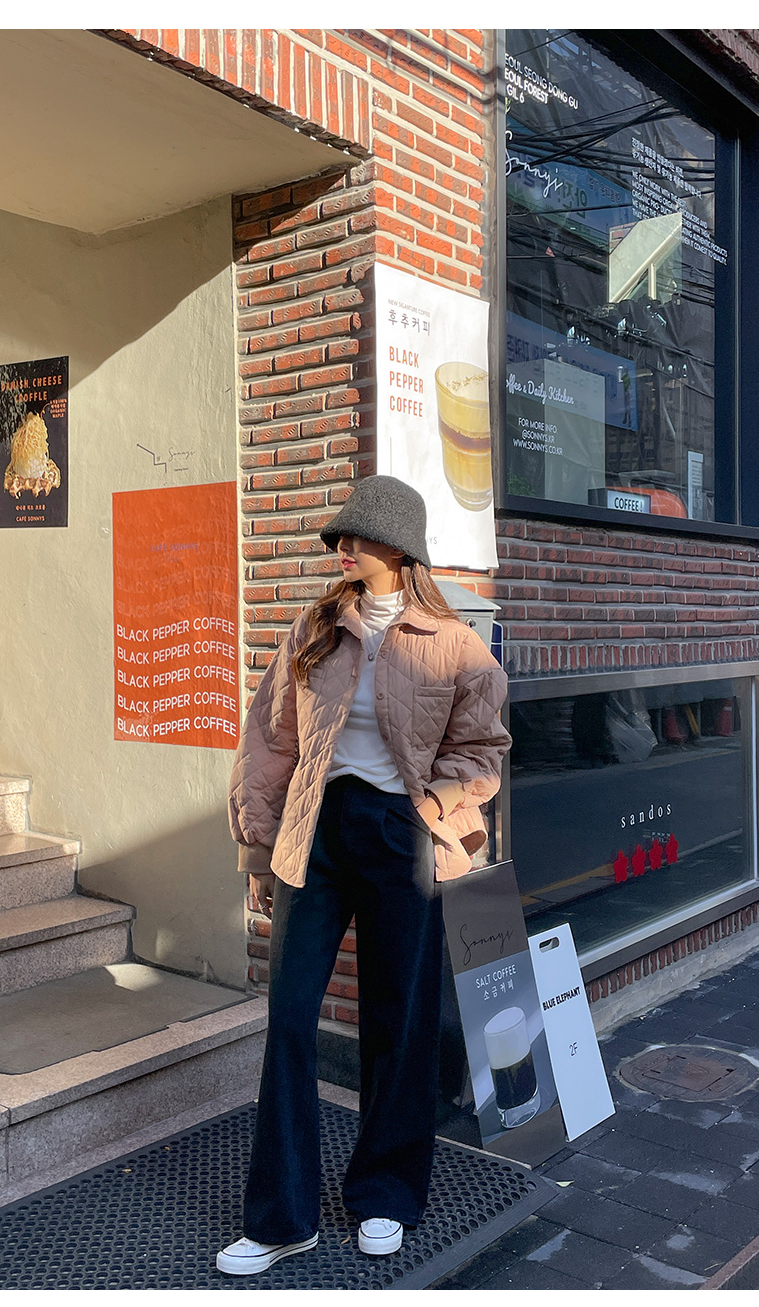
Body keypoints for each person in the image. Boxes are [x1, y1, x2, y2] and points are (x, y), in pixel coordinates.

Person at [216, 475, 512, 1276]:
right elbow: (269, 742)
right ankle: (282, 1218)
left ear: (399, 546)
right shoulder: (315, 627)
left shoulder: (453, 644)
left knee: (397, 1020)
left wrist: (435, 809)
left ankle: (385, 1193)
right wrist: (258, 851)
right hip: (315, 832)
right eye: (340, 537)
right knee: (289, 1018)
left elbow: (482, 751)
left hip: (401, 834)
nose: (342, 547)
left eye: (357, 535)